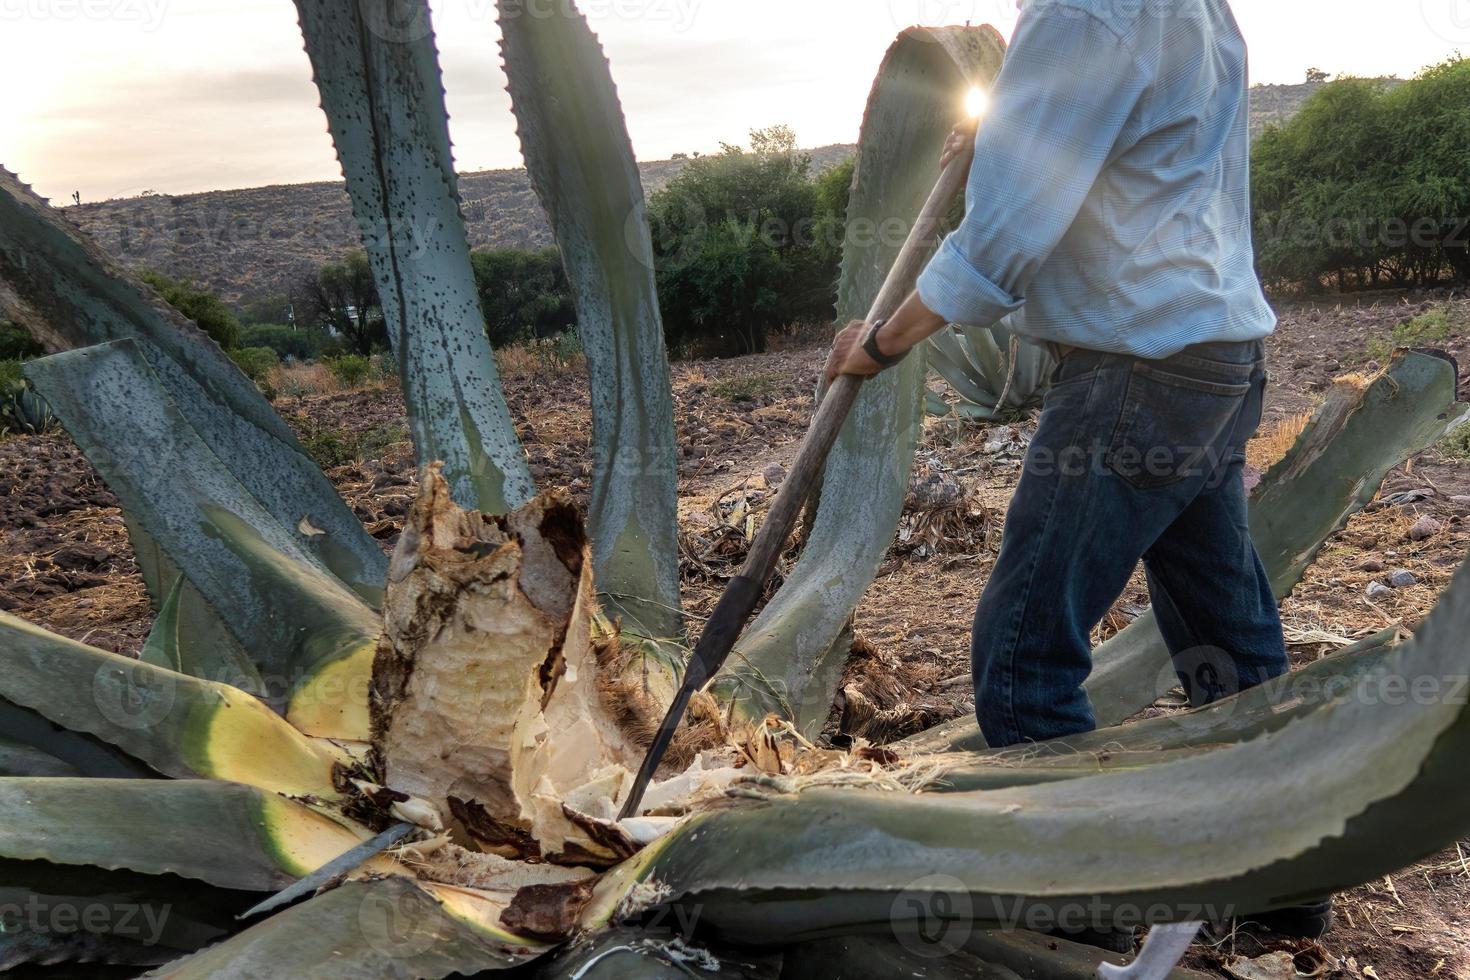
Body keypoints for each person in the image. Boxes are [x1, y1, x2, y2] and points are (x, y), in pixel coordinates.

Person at [824, 0, 1331, 946]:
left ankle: (1087, 911)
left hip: (1135, 370)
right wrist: (1009, 133)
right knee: (1229, 638)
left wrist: (882, 344)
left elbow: (1005, 239)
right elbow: (1135, 156)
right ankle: (1289, 885)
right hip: (1219, 358)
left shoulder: (1077, 10)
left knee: (1022, 661)